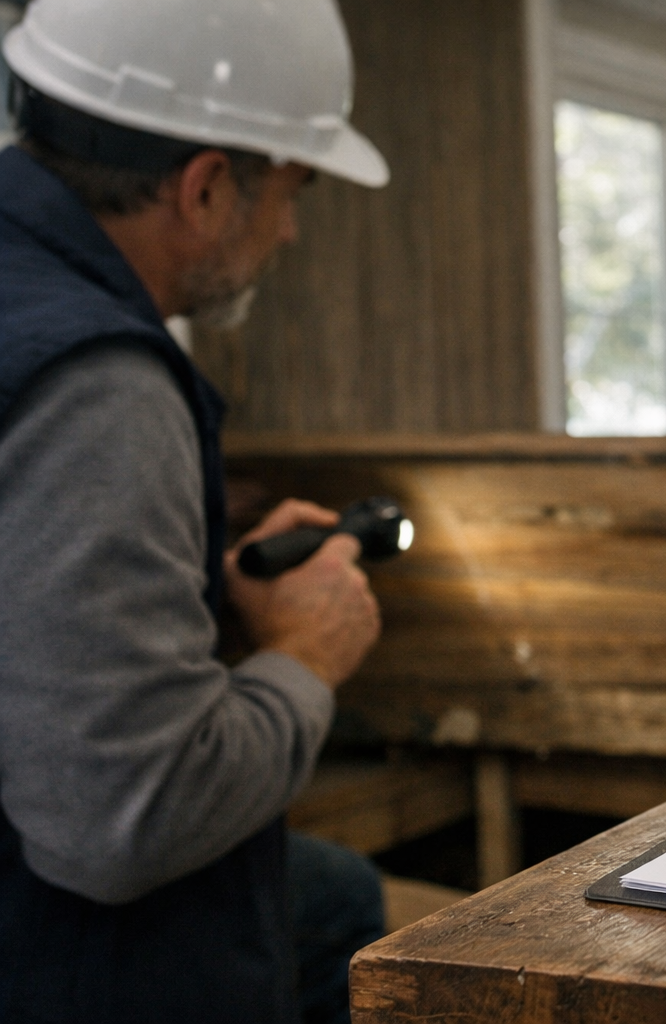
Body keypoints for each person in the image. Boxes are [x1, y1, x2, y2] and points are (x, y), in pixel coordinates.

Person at [0, 1, 391, 1021]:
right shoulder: (100, 390)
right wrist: (303, 655)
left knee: (334, 894)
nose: (292, 230)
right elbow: (124, 821)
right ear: (209, 187)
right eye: (293, 190)